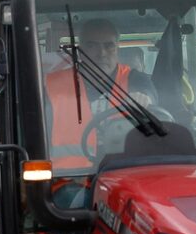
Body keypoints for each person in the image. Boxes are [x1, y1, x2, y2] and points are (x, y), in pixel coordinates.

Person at [44, 18, 157, 170]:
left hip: (125, 171)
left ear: (117, 48)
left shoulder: (135, 79)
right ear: (80, 50)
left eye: (108, 46)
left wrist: (144, 98)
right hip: (70, 175)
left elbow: (150, 95)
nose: (101, 53)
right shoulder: (53, 84)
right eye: (92, 46)